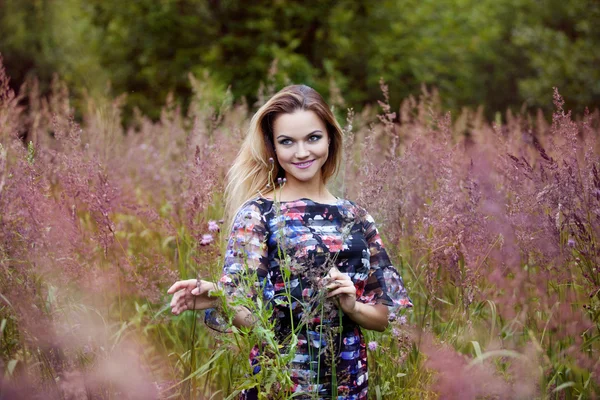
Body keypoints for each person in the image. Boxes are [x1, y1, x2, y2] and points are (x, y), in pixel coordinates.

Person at [168, 84, 412, 399]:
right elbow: (255, 323)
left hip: (350, 387)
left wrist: (352, 306)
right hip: (281, 386)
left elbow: (382, 317)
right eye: (287, 142)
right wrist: (221, 299)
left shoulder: (358, 218)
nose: (301, 153)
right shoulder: (258, 214)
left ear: (330, 138)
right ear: (273, 147)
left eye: (313, 138)